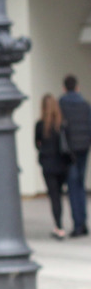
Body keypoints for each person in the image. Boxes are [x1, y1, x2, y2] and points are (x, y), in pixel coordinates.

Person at [36, 93, 72, 240]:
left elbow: (36, 144)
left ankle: (59, 226)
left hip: (48, 165)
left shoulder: (40, 125)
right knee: (59, 194)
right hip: (62, 165)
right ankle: (59, 225)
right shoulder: (62, 124)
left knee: (54, 196)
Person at [58, 75, 90, 237]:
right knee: (80, 186)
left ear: (64, 88)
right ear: (77, 87)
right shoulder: (85, 105)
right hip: (83, 149)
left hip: (69, 152)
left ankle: (78, 224)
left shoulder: (61, 104)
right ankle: (83, 222)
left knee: (73, 187)